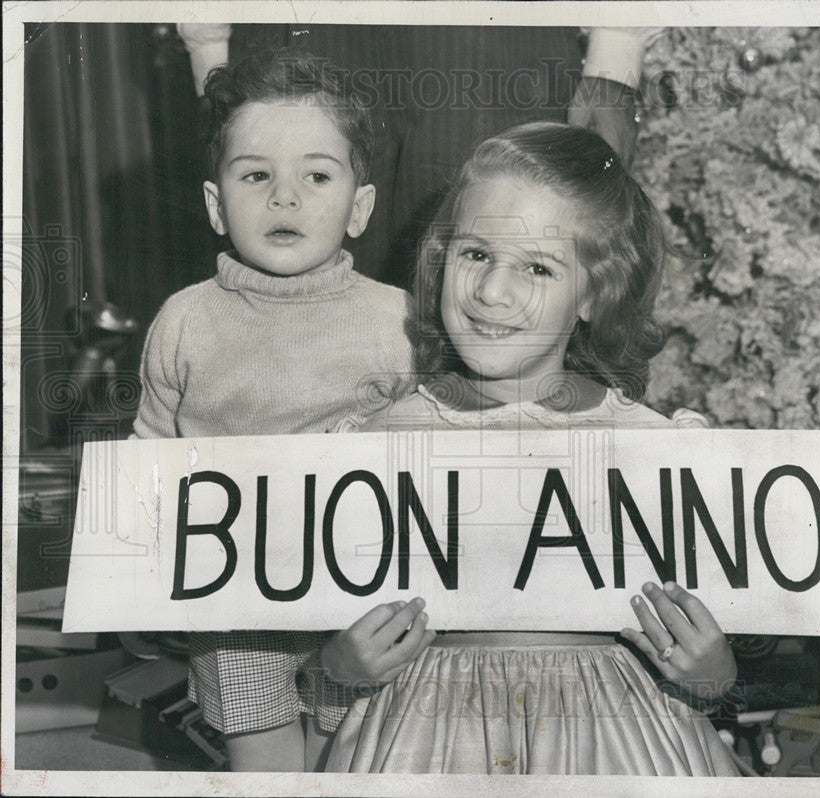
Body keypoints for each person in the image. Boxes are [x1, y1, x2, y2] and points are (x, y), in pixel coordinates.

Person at [322, 122, 740, 775]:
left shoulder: (652, 450)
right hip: (425, 743)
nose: (492, 293)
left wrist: (713, 673)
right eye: (475, 254)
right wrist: (337, 665)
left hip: (614, 746)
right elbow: (322, 623)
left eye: (538, 267)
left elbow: (707, 655)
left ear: (596, 294)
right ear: (442, 257)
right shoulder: (378, 443)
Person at [131, 49, 436, 771]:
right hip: (233, 612)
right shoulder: (183, 320)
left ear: (359, 207)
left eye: (317, 175)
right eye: (257, 175)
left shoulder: (399, 320)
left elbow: (434, 443)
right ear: (215, 203)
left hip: (357, 603)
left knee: (348, 759)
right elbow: (146, 458)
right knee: (264, 773)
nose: (285, 198)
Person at [177, 23, 657, 288]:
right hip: (308, 28)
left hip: (490, 45)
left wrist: (617, 45)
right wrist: (208, 43)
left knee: (489, 278)